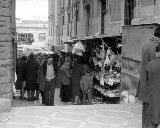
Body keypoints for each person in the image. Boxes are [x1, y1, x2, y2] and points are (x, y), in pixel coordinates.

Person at [136, 26, 160, 128]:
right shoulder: (156, 46)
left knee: (145, 111)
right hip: (152, 85)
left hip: (144, 83)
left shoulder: (146, 44)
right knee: (152, 114)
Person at [143, 43, 160, 128]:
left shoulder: (149, 65)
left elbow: (145, 83)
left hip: (154, 100)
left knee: (152, 123)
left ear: (157, 52)